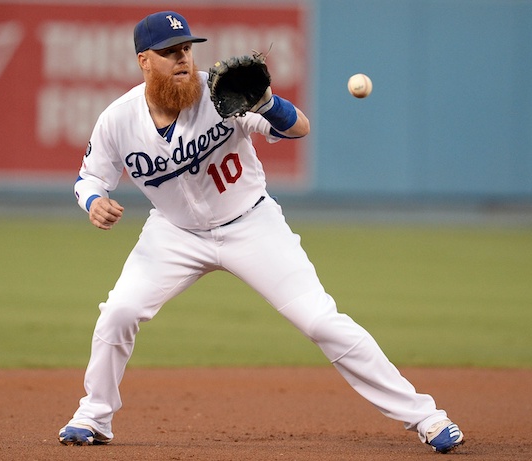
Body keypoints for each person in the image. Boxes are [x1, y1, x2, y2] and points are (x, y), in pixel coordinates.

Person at [58, 10, 465, 454]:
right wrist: (95, 202)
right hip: (174, 234)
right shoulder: (118, 120)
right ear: (144, 61)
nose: (183, 59)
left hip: (252, 224)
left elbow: (299, 129)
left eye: (187, 49)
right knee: (119, 311)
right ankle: (92, 416)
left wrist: (268, 103)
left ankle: (426, 416)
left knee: (319, 320)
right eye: (170, 52)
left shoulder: (219, 93)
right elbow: (89, 179)